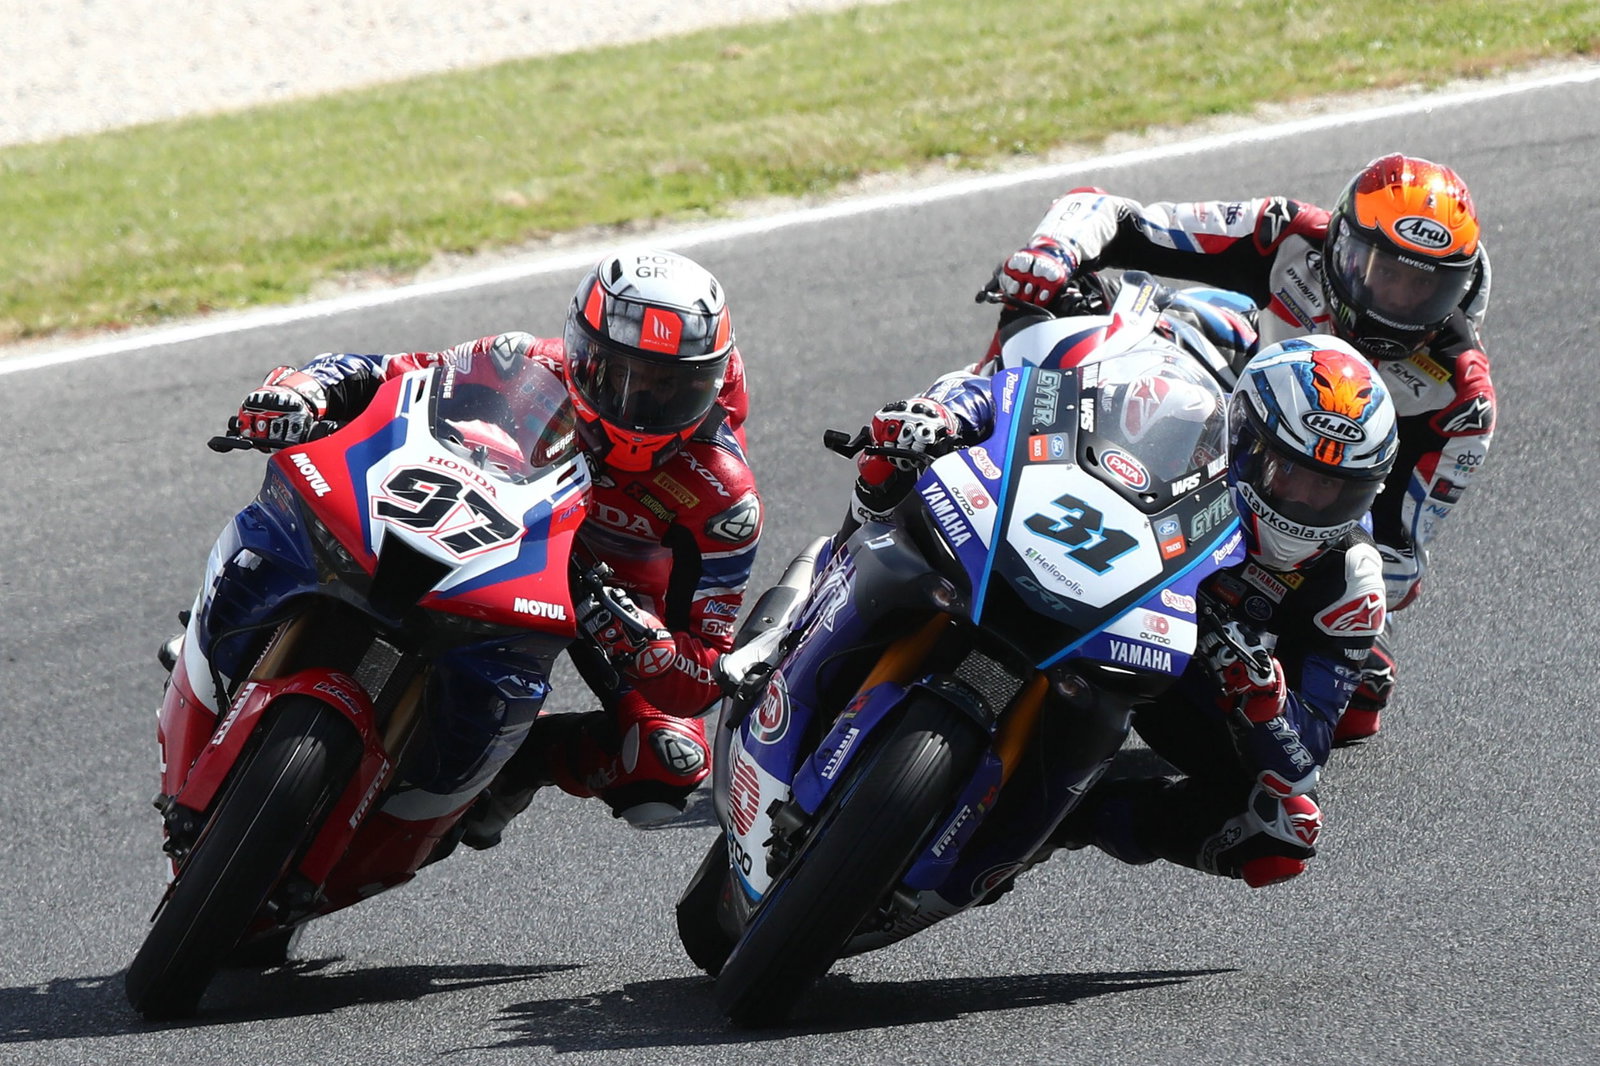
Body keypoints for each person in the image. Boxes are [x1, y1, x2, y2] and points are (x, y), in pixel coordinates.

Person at [230, 249, 763, 839]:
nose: (642, 405)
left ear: (712, 385)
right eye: (622, 376)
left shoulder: (723, 497)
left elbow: (707, 672)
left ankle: (515, 770)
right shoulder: (519, 362)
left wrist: (649, 645)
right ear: (583, 353)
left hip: (607, 605)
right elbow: (385, 375)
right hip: (494, 528)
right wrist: (307, 394)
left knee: (670, 763)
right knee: (301, 504)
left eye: (672, 389)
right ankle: (236, 632)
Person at [848, 335, 1397, 887]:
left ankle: (1065, 822)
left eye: (1331, 488)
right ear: (1247, 439)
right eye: (1289, 471)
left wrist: (1259, 695)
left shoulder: (1352, 581)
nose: (1304, 500)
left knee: (1284, 831)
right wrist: (950, 416)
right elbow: (1035, 398)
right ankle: (800, 619)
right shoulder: (1185, 416)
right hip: (1088, 557)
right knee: (893, 464)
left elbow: (1306, 754)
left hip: (1177, 679)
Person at [989, 154, 1495, 744]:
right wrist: (1053, 252)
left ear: (1460, 289)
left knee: (1355, 701)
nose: (1397, 301)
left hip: (1300, 514)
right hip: (1225, 409)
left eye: (1424, 287)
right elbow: (1115, 216)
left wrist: (1279, 573)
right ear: (1340, 245)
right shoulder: (1287, 234)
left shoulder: (1460, 396)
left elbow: (1400, 563)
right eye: (1383, 272)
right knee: (1065, 297)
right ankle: (974, 445)